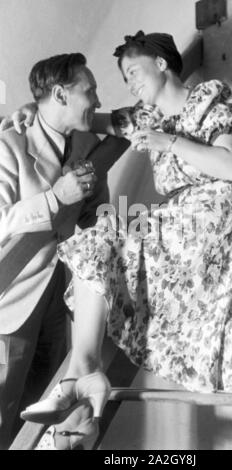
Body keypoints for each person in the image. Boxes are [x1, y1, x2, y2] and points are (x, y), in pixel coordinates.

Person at [3, 31, 232, 449]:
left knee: (109, 237)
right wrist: (31, 111)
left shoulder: (209, 96)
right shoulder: (146, 116)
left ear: (161, 64)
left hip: (219, 212)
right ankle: (84, 373)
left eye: (132, 72)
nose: (128, 83)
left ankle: (79, 406)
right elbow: (88, 117)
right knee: (98, 240)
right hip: (175, 221)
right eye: (123, 78)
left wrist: (169, 142)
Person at [0, 52, 128, 449]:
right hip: (13, 297)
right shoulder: (9, 143)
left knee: (40, 407)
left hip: (62, 295)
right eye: (89, 90)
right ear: (59, 93)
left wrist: (107, 223)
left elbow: (96, 213)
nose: (97, 97)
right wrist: (55, 199)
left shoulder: (90, 145)